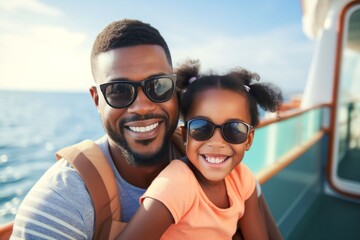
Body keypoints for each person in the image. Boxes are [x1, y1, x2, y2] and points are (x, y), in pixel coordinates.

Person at [10, 19, 281, 239]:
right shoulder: (60, 205)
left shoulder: (224, 168)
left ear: (175, 90)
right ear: (96, 99)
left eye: (158, 86)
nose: (141, 106)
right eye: (118, 91)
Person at [115, 60, 283, 239]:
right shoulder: (175, 185)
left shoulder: (242, 179)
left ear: (248, 139)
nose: (217, 142)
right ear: (186, 135)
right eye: (202, 127)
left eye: (234, 129)